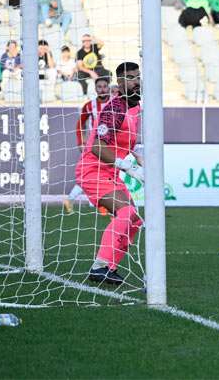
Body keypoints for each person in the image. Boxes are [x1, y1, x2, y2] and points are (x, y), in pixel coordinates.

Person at [77, 62, 144, 285]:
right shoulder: (115, 108)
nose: (136, 81)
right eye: (131, 77)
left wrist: (141, 162)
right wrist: (128, 167)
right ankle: (100, 266)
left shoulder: (134, 108)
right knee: (125, 213)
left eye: (138, 76)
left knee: (133, 219)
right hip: (93, 170)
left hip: (110, 172)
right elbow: (96, 146)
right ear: (121, 81)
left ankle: (108, 268)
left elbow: (127, 141)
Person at [63, 77, 112, 214]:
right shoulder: (90, 106)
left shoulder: (115, 104)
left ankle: (100, 205)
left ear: (108, 88)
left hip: (110, 145)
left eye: (104, 86)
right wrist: (81, 142)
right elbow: (80, 124)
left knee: (101, 175)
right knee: (97, 175)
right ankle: (103, 206)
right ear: (95, 89)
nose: (102, 89)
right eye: (99, 87)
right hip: (94, 146)